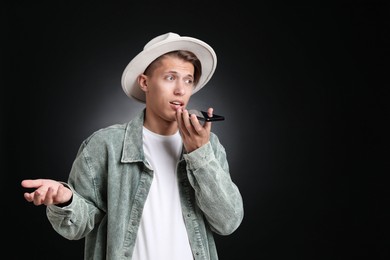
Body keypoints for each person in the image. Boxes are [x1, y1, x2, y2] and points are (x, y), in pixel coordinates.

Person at [21, 32, 244, 260]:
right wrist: (66, 200)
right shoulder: (105, 145)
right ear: (145, 82)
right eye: (170, 77)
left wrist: (199, 154)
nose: (181, 90)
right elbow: (78, 225)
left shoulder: (209, 146)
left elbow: (228, 222)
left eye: (188, 80)